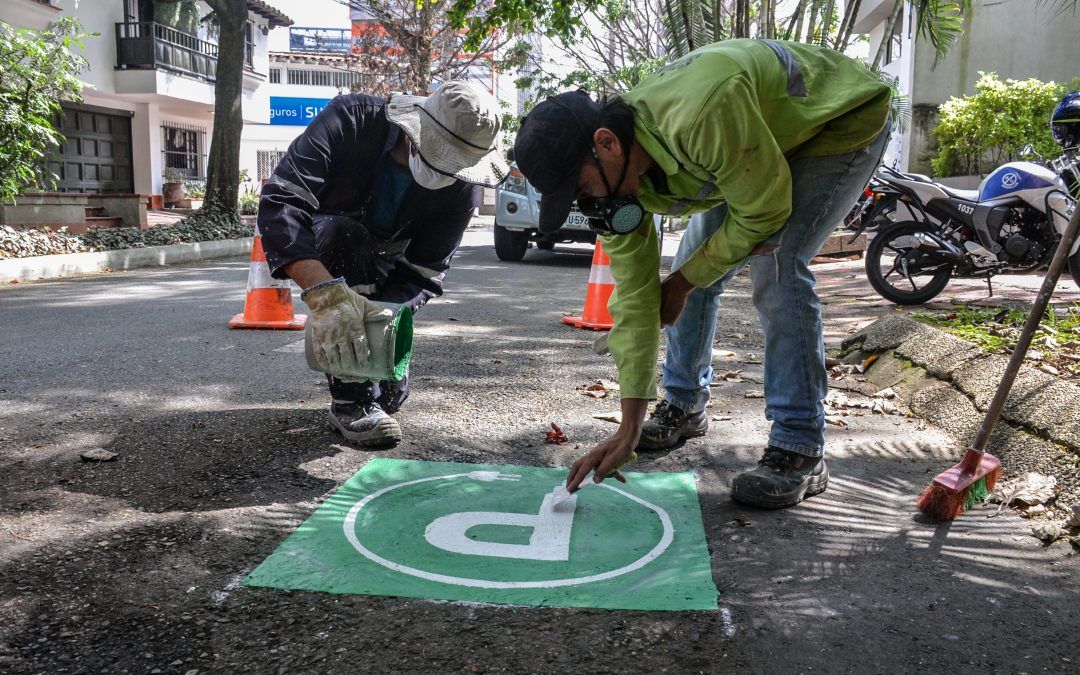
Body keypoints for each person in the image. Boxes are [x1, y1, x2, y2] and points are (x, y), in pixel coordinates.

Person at [513, 39, 891, 508]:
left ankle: (800, 445)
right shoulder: (625, 176)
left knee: (776, 266)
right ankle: (684, 404)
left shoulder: (701, 115)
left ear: (606, 142)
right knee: (686, 273)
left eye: (583, 188)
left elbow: (763, 212)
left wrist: (683, 282)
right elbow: (636, 300)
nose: (591, 205)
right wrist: (627, 429)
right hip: (754, 141)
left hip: (834, 121)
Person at [259, 80, 507, 447]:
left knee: (390, 395)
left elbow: (424, 270)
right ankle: (351, 402)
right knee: (345, 234)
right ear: (415, 127)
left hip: (388, 265)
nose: (447, 173)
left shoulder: (461, 188)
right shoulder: (351, 120)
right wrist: (326, 295)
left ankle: (364, 384)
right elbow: (282, 202)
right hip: (328, 249)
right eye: (439, 156)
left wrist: (380, 323)